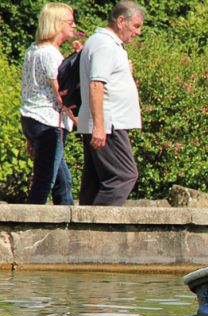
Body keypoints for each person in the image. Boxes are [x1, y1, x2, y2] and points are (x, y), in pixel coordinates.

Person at [77, 1, 144, 206]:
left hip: (106, 123)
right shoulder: (105, 45)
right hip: (108, 124)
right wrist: (99, 126)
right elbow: (96, 84)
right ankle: (97, 231)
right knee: (124, 176)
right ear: (121, 21)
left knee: (95, 181)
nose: (138, 32)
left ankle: (83, 229)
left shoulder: (106, 44)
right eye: (136, 26)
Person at [19, 3, 77, 205]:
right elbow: (62, 95)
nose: (74, 25)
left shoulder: (33, 50)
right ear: (56, 23)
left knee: (63, 180)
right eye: (70, 21)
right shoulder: (51, 54)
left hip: (31, 119)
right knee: (45, 180)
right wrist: (80, 120)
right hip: (49, 123)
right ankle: (30, 223)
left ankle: (67, 219)